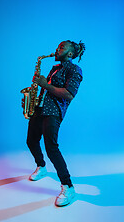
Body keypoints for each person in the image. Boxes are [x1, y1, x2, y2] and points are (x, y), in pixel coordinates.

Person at [24, 40, 85, 207]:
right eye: (58, 46)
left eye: (61, 47)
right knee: (31, 141)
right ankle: (41, 167)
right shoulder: (55, 68)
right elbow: (46, 89)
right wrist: (33, 98)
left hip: (53, 111)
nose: (57, 49)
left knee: (51, 147)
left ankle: (68, 187)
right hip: (40, 108)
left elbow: (68, 94)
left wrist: (45, 85)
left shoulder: (74, 69)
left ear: (71, 53)